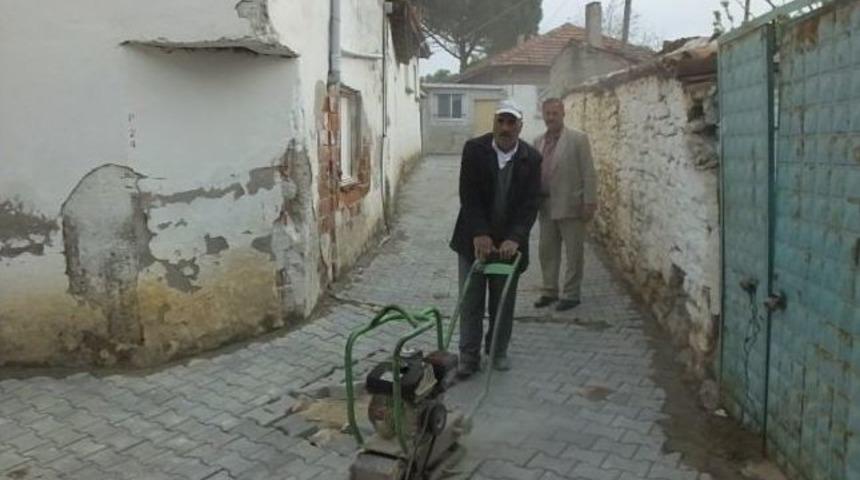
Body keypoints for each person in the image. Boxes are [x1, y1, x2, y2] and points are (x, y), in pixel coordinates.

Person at [449, 99, 542, 378]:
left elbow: (530, 204)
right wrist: (480, 233)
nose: (505, 127)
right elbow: (469, 195)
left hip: (508, 247)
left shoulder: (532, 158)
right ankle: (468, 356)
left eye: (511, 122)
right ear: (494, 123)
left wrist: (515, 237)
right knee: (471, 301)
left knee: (503, 301)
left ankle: (498, 351)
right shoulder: (475, 150)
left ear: (520, 126)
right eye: (501, 121)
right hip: (473, 242)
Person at [532, 98, 597, 312]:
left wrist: (589, 201)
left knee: (574, 252)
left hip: (572, 205)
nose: (550, 117)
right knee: (547, 251)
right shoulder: (538, 141)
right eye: (547, 113)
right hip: (546, 204)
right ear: (543, 115)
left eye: (555, 113)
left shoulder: (578, 139)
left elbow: (589, 172)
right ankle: (549, 291)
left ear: (563, 114)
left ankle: (571, 294)